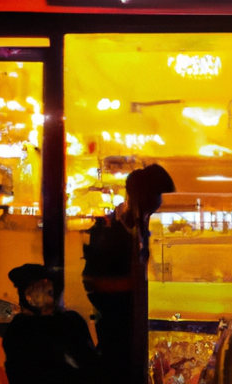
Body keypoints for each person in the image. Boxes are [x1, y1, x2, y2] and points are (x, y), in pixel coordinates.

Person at [82, 163, 175, 383]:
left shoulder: (138, 228)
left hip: (130, 337)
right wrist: (129, 285)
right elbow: (92, 282)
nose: (159, 201)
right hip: (117, 337)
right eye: (156, 195)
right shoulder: (109, 229)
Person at [2, 263, 99, 384]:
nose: (51, 298)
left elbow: (90, 366)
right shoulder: (19, 330)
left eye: (51, 292)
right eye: (48, 292)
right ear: (29, 294)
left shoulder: (67, 322)